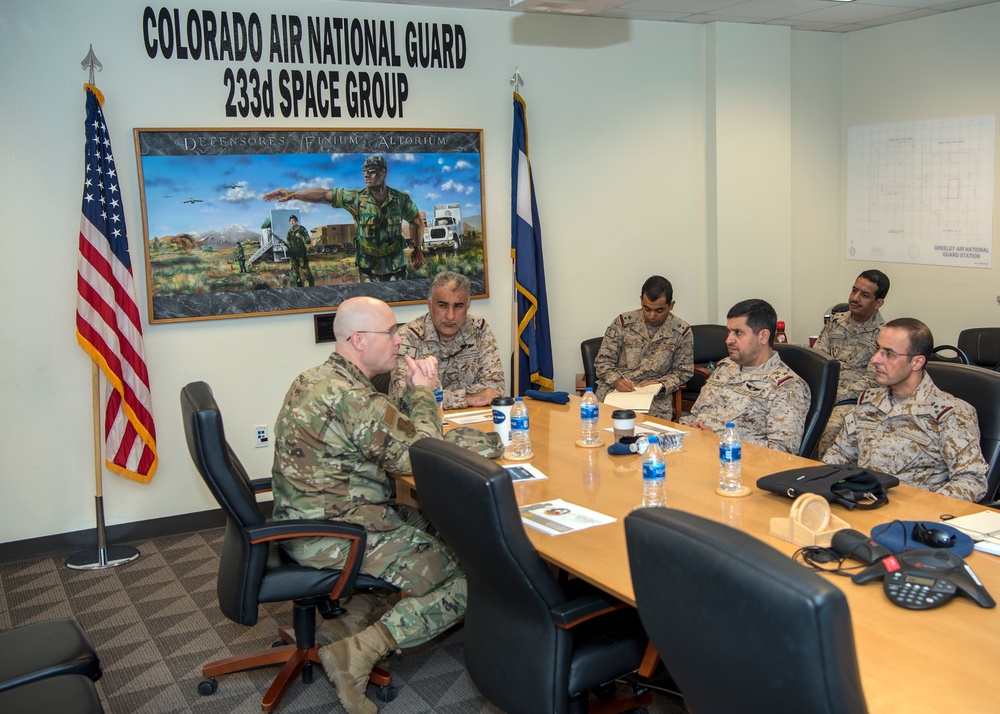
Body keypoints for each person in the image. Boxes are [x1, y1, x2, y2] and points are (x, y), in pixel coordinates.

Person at [270, 296, 462, 714]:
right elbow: (423, 454)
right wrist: (425, 394)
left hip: (310, 518)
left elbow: (384, 431)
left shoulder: (317, 378)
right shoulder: (354, 398)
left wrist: (409, 402)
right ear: (358, 340)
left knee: (443, 527)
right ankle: (359, 651)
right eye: (391, 333)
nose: (399, 342)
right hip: (335, 533)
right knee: (476, 573)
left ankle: (345, 625)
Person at [823, 318, 988, 502]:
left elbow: (971, 480)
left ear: (917, 362)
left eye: (889, 354)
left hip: (912, 519)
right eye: (878, 349)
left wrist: (923, 511)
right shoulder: (868, 403)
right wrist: (817, 488)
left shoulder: (951, 414)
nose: (875, 359)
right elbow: (839, 455)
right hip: (861, 506)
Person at [264, 155, 425, 282]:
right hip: (367, 268)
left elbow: (417, 222)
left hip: (396, 266)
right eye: (364, 171)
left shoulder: (400, 199)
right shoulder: (355, 198)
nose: (366, 175)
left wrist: (418, 249)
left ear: (383, 172)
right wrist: (293, 194)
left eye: (371, 171)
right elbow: (324, 195)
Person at [681, 298, 810, 454]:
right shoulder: (725, 367)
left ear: (763, 336)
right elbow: (695, 415)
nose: (728, 340)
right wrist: (687, 428)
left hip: (736, 466)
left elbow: (782, 452)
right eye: (729, 332)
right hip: (695, 451)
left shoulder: (786, 386)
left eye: (738, 333)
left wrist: (719, 442)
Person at [388, 271, 505, 409]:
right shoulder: (407, 337)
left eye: (458, 306)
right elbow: (401, 397)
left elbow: (495, 388)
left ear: (467, 307)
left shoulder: (478, 329)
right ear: (430, 306)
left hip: (473, 420)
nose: (450, 316)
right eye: (442, 305)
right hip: (424, 423)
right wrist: (468, 398)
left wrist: (433, 395)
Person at [593, 275, 693, 421]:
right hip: (615, 391)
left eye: (659, 310)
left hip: (654, 397)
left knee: (650, 434)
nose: (652, 316)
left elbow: (684, 371)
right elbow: (602, 361)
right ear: (641, 300)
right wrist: (616, 380)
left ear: (671, 305)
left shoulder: (681, 332)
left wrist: (662, 384)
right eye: (646, 309)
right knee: (601, 426)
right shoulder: (623, 323)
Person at [814, 269, 889, 456]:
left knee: (831, 427)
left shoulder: (884, 335)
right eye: (854, 290)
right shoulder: (835, 322)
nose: (855, 298)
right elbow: (818, 360)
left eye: (864, 295)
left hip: (853, 400)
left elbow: (873, 381)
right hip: (824, 392)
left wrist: (834, 395)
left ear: (878, 303)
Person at [284, 215, 315, 287]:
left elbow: (308, 241)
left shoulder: (301, 229)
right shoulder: (289, 232)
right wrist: (286, 246)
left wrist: (300, 236)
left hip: (301, 254)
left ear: (296, 221)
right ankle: (299, 287)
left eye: (293, 221)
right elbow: (288, 243)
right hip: (293, 255)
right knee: (295, 272)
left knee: (305, 270)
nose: (292, 222)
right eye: (290, 221)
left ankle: (312, 285)